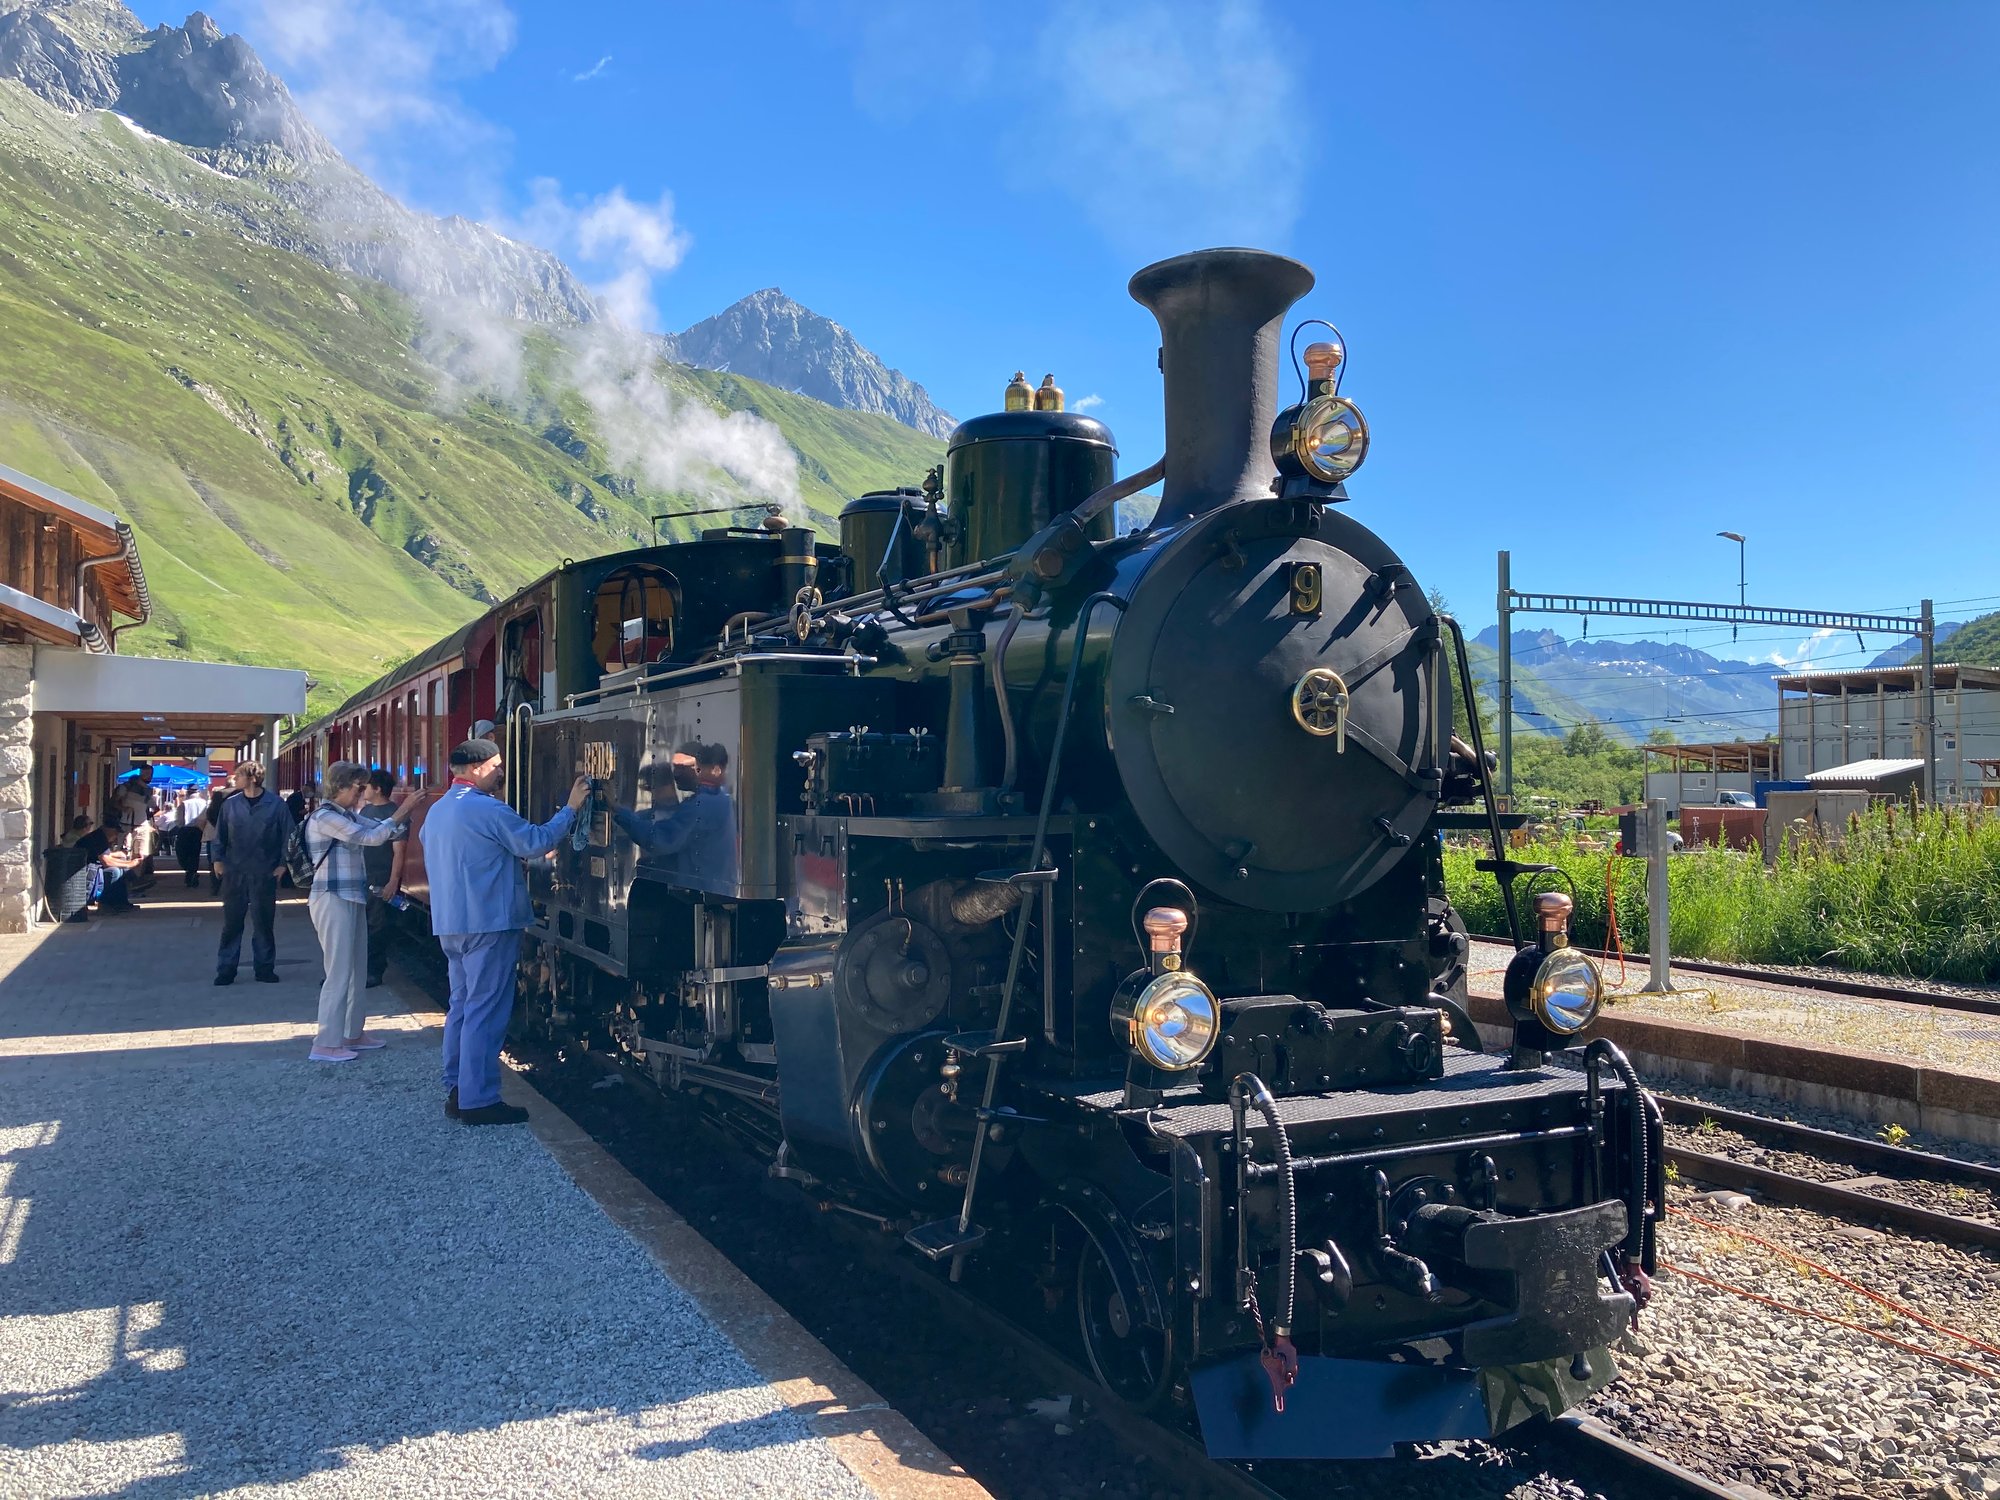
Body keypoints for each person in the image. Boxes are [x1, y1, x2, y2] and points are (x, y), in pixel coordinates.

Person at [420, 738, 588, 1125]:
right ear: (477, 768)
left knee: (461, 1005)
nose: (500, 772)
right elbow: (535, 842)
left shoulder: (438, 811)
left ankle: (458, 1087)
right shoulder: (488, 809)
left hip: (450, 922)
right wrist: (572, 808)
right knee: (486, 1008)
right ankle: (478, 1100)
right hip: (490, 920)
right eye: (496, 766)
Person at [300, 761, 422, 1063]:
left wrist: (397, 816)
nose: (362, 795)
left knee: (355, 967)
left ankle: (352, 1032)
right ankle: (326, 1042)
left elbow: (375, 830)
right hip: (331, 897)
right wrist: (402, 810)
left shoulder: (346, 815)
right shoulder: (325, 817)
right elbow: (371, 837)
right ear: (341, 786)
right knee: (339, 971)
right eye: (358, 787)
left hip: (351, 896)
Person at [613, 741, 737, 892]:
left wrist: (617, 810)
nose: (676, 774)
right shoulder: (721, 798)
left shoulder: (700, 805)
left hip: (699, 894)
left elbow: (659, 840)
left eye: (683, 767)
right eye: (675, 767)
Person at [211, 762, 293, 986]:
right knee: (231, 923)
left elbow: (288, 836)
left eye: (239, 775)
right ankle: (226, 969)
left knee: (264, 922)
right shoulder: (230, 805)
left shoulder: (276, 805)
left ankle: (265, 968)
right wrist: (217, 859)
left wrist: (282, 865)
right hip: (234, 871)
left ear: (253, 778)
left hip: (264, 871)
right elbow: (220, 835)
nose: (235, 779)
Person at [356, 769, 408, 990]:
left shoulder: (394, 813)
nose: (362, 790)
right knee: (361, 926)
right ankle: (359, 970)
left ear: (377, 789)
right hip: (362, 875)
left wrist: (393, 881)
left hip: (380, 876)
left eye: (366, 786)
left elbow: (399, 850)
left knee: (377, 925)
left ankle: (373, 971)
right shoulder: (366, 810)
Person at [63, 815, 140, 912]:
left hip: (92, 867)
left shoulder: (101, 837)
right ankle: (105, 903)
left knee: (122, 870)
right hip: (83, 870)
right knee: (114, 871)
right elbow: (106, 861)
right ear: (108, 829)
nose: (116, 835)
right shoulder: (98, 838)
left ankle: (121, 902)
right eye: (115, 832)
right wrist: (129, 864)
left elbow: (107, 857)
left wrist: (128, 863)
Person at [174, 785, 208, 887]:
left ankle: (189, 871)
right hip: (199, 830)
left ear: (188, 793)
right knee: (195, 853)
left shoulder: (184, 804)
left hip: (185, 830)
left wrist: (179, 827)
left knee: (182, 852)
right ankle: (192, 872)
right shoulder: (205, 803)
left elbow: (179, 819)